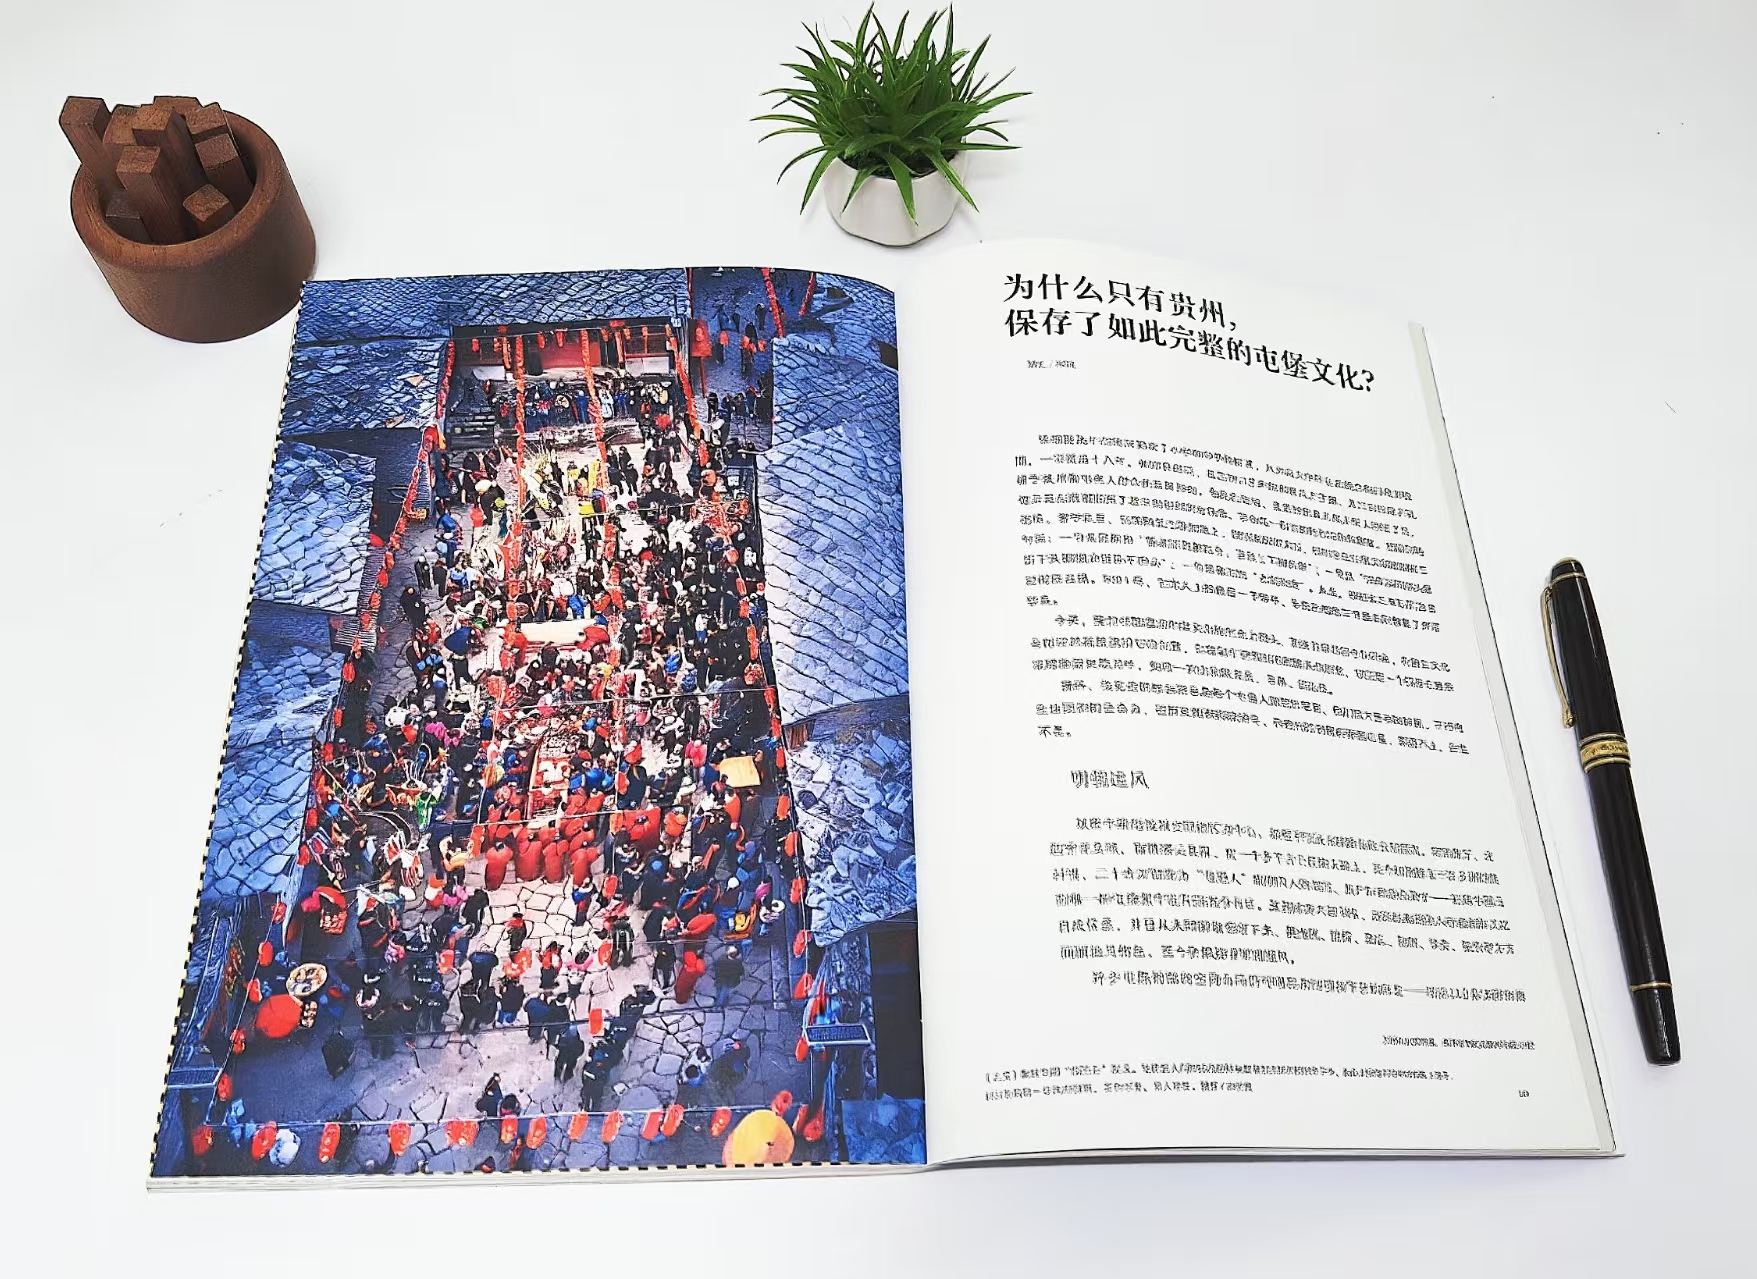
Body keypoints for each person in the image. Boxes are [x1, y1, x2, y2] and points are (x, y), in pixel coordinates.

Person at [712, 943, 745, 1008]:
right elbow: (741, 972)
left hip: (719, 979)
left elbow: (715, 966)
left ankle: (717, 1005)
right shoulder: (737, 962)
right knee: (724, 993)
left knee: (719, 992)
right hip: (729, 981)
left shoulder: (721, 958)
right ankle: (719, 1006)